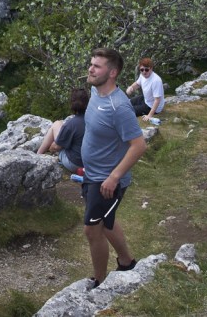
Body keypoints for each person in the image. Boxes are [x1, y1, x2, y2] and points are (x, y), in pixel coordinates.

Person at [79, 48, 146, 288]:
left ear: (112, 73)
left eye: (97, 66)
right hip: (91, 174)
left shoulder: (119, 106)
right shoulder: (95, 93)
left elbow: (139, 145)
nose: (90, 69)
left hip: (106, 182)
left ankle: (99, 281)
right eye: (91, 63)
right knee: (106, 221)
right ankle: (127, 262)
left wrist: (114, 177)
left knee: (91, 230)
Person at [37, 87, 89, 174]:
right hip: (91, 163)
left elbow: (56, 147)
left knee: (57, 124)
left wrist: (51, 148)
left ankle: (37, 156)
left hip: (75, 164)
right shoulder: (93, 120)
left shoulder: (71, 124)